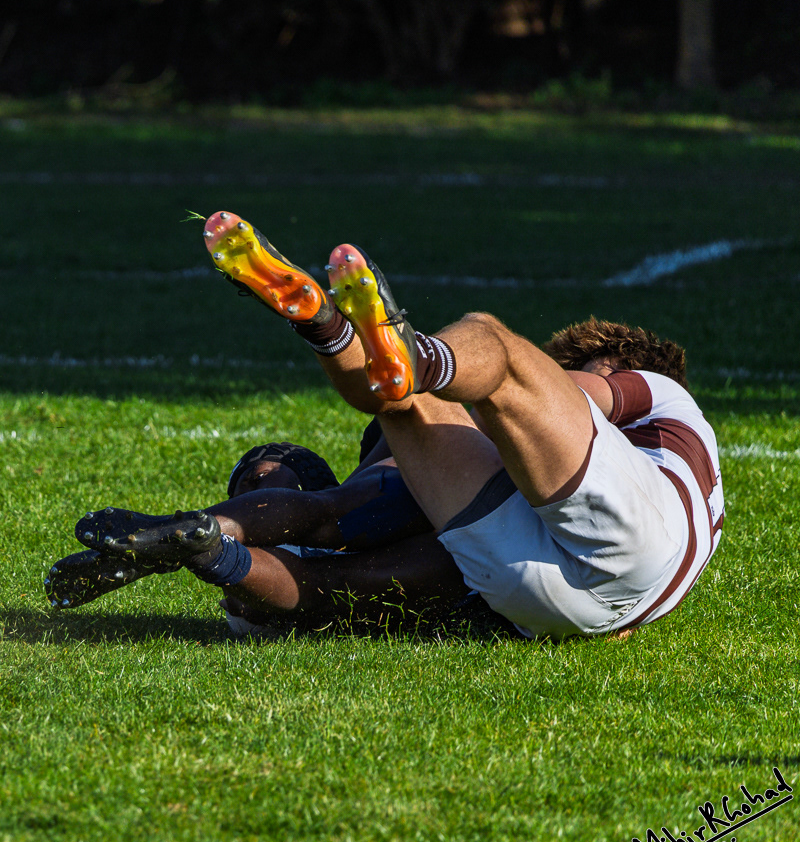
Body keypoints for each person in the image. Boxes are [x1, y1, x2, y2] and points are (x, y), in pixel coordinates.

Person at [48, 210, 724, 640]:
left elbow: (566, 397)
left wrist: (512, 380)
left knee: (483, 353)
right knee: (333, 577)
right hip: (549, 604)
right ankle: (338, 339)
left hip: (537, 565)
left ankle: (345, 335)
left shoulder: (656, 393)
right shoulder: (684, 479)